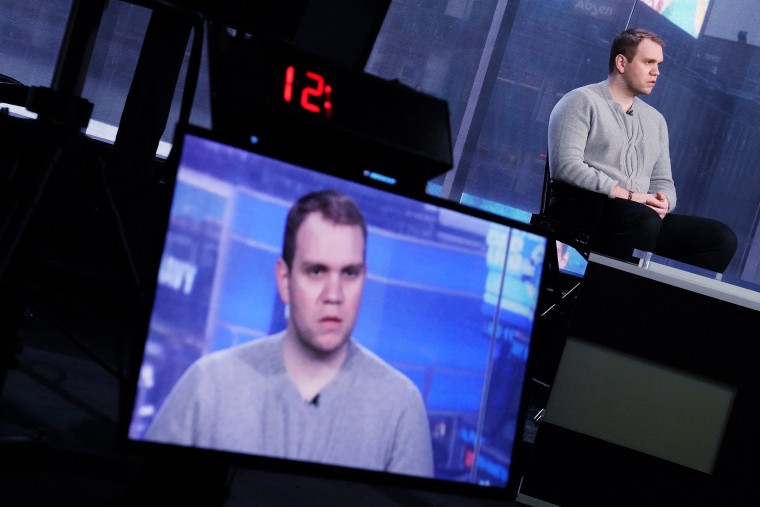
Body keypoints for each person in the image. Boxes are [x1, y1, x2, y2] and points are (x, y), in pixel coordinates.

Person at [145, 189, 434, 478]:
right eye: (317, 271)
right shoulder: (209, 384)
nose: (334, 295)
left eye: (349, 273)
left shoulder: (400, 408)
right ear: (284, 280)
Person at [547, 28, 737, 273]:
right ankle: (607, 300)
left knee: (720, 238)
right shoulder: (580, 101)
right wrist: (630, 196)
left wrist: (664, 201)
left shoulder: (655, 120)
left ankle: (662, 308)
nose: (656, 71)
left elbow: (663, 180)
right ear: (621, 62)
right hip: (582, 206)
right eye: (649, 62)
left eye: (658, 64)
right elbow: (566, 168)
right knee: (641, 219)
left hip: (638, 216)